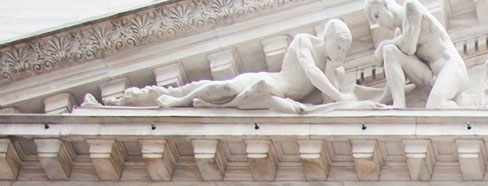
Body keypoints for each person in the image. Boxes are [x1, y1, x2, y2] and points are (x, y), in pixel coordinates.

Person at [113, 21, 356, 112]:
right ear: (329, 38)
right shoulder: (305, 42)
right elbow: (311, 73)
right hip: (270, 82)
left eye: (346, 50)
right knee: (226, 87)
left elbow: (329, 103)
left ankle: (206, 104)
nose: (342, 53)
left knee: (231, 96)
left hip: (277, 95)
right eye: (340, 46)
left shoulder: (330, 68)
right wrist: (341, 96)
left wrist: (338, 85)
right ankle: (176, 101)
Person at [365, 0, 471, 108]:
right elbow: (393, 77)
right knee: (390, 51)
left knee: (434, 106)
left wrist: (382, 45)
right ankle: (399, 105)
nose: (380, 24)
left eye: (377, 16)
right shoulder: (399, 35)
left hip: (451, 67)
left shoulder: (411, 7)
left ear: (385, 5)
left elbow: (409, 45)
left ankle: (461, 110)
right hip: (431, 77)